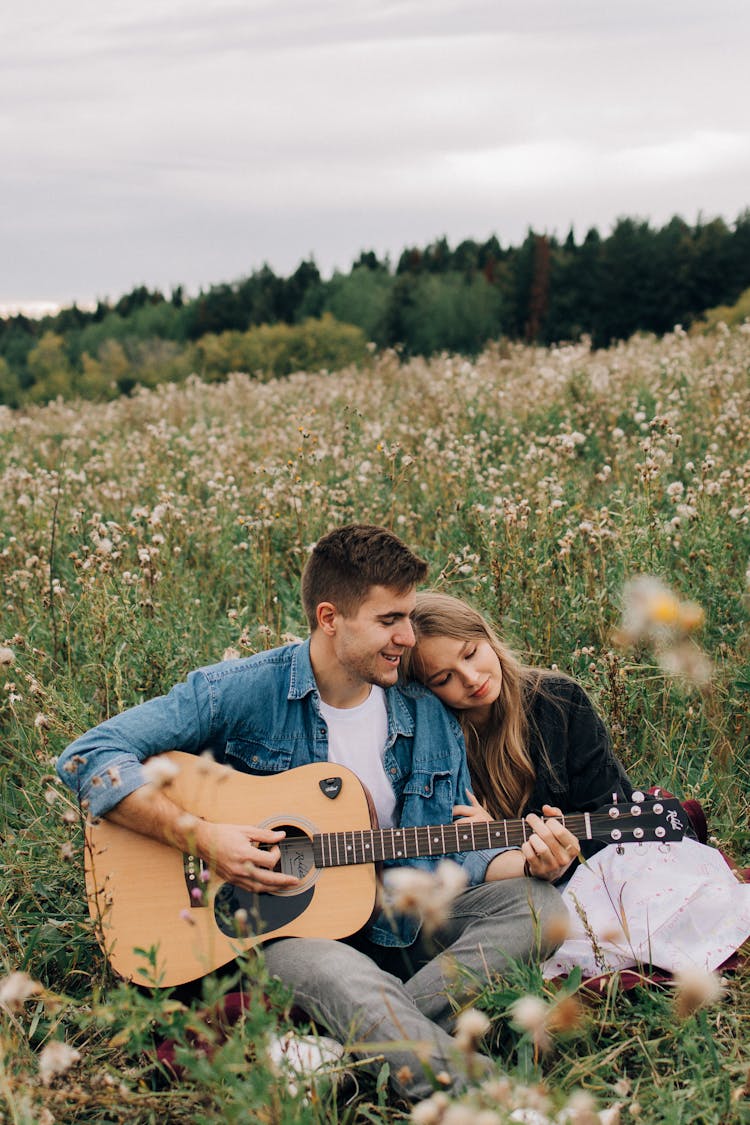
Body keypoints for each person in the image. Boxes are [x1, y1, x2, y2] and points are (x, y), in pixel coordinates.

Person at [57, 525, 567, 1104]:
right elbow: (88, 755)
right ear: (330, 618)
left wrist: (527, 859)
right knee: (339, 974)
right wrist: (202, 837)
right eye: (389, 621)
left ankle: (348, 1057)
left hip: (400, 921)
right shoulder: (244, 691)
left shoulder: (427, 715)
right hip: (283, 930)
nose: (408, 635)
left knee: (540, 906)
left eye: (408, 616)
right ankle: (489, 1105)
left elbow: (451, 850)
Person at [401, 591, 633, 885]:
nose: (471, 678)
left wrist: (553, 852)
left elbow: (613, 813)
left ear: (486, 634)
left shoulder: (559, 700)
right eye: (444, 678)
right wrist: (497, 851)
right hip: (509, 895)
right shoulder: (433, 745)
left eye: (470, 653)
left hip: (594, 874)